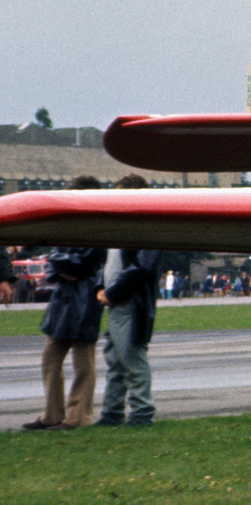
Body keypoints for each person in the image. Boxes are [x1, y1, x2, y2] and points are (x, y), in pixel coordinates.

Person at [26, 180, 107, 431]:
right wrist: (61, 264)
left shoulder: (97, 226)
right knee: (51, 357)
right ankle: (52, 414)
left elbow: (82, 261)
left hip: (85, 297)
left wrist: (61, 263)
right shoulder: (68, 223)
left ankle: (78, 416)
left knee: (83, 362)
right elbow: (54, 260)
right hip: (64, 297)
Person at [95, 177, 161, 427]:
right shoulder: (122, 225)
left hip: (132, 304)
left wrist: (112, 292)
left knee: (131, 358)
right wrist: (101, 287)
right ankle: (112, 413)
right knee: (115, 360)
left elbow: (142, 267)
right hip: (117, 303)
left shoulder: (145, 228)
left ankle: (142, 413)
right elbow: (107, 263)